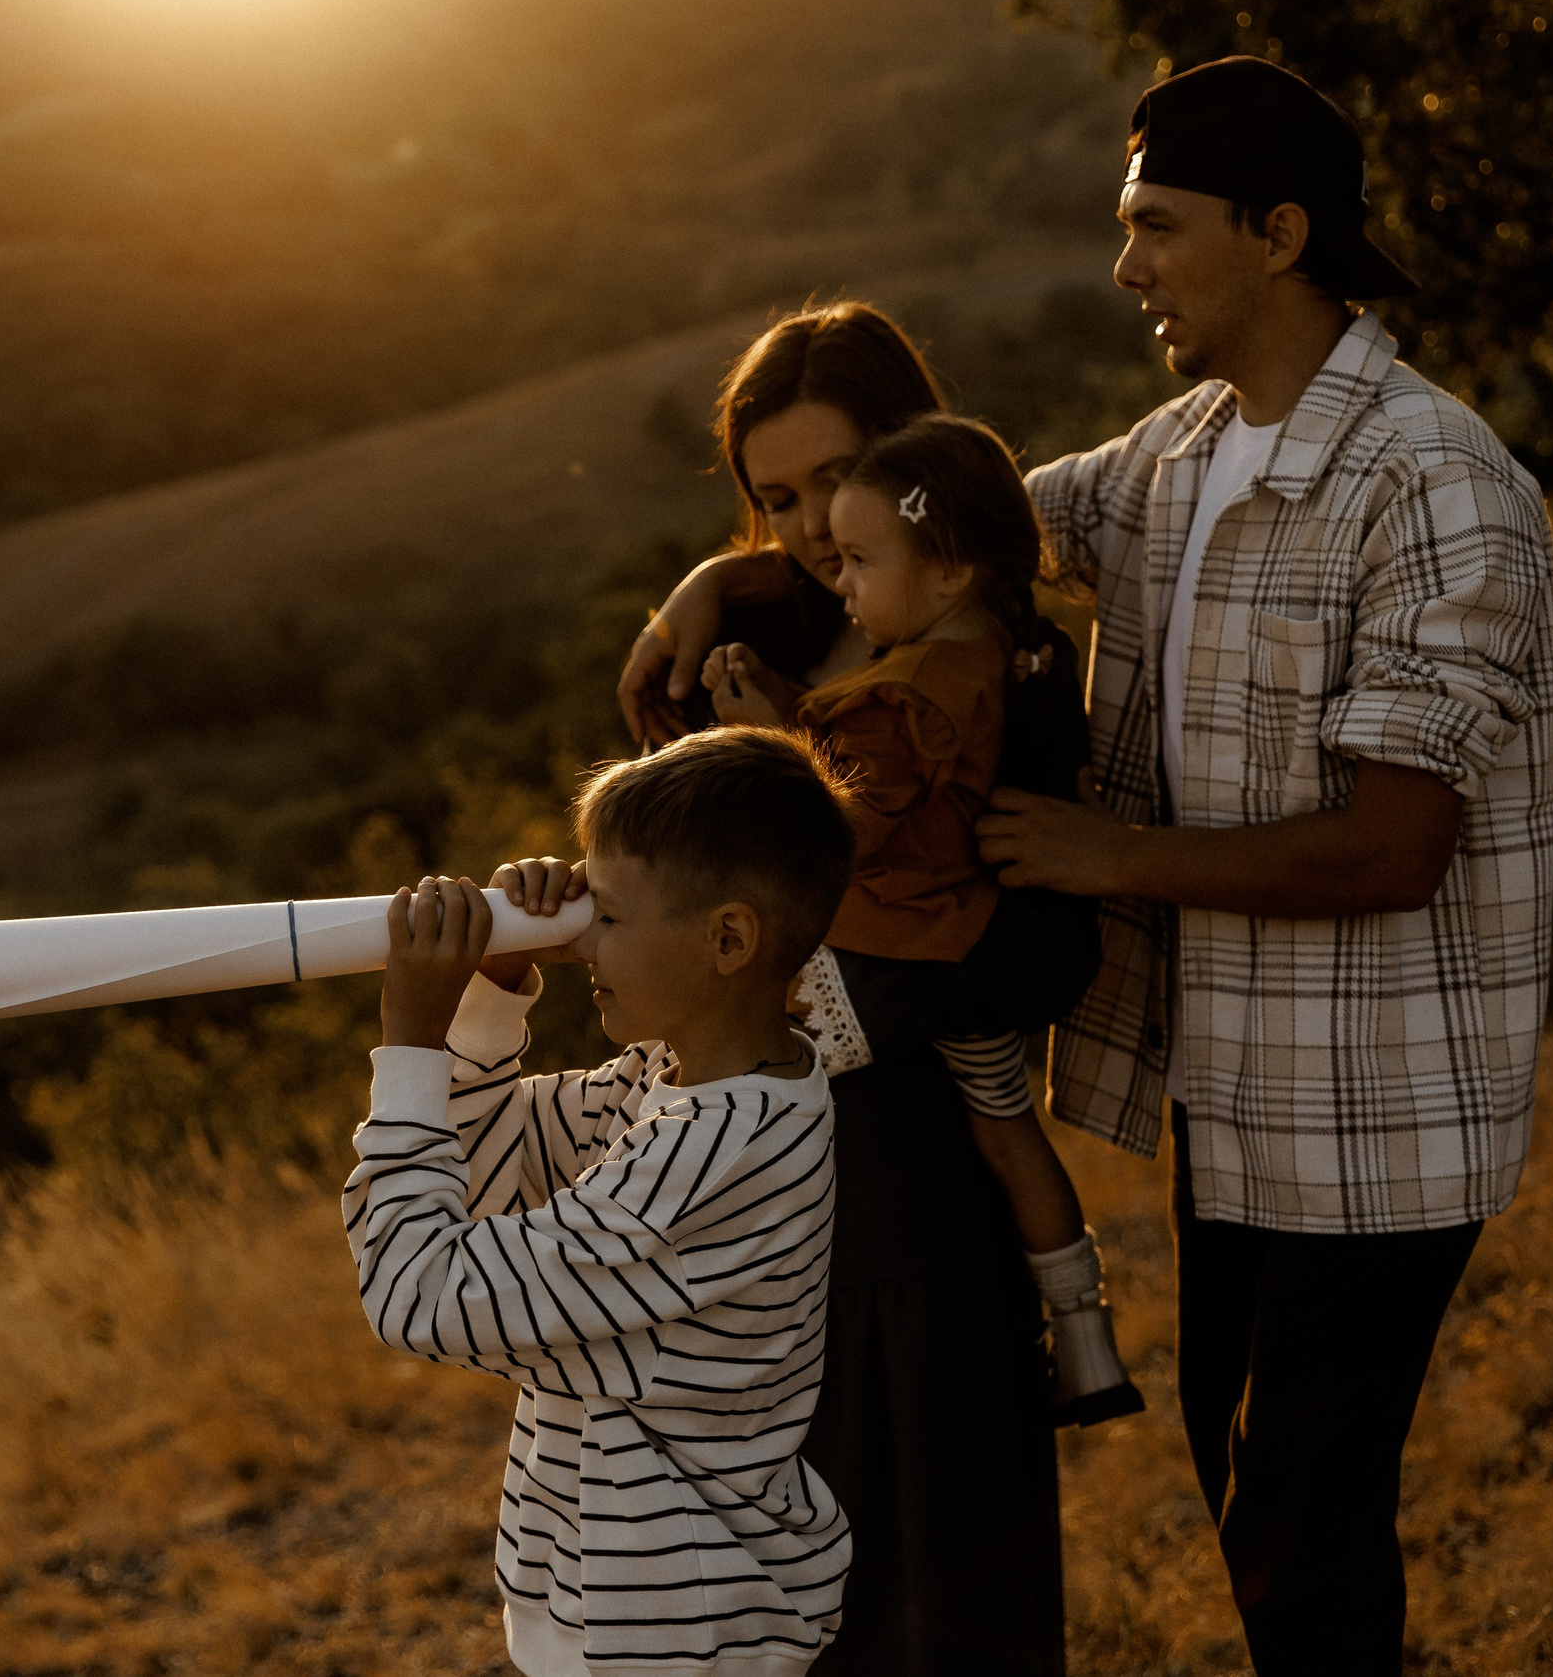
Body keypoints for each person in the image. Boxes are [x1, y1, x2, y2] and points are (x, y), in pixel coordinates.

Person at [625, 58, 1553, 1677]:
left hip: (1382, 1108)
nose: (1124, 267)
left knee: (1300, 1521)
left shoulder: (1438, 484)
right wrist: (729, 568)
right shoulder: (1174, 460)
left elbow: (1402, 844)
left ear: (1279, 234)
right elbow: (921, 542)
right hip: (1234, 1100)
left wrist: (1104, 850)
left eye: (1155, 228)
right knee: (1253, 1500)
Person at [619, 301, 1081, 1676]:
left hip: (926, 1234)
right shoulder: (731, 673)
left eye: (841, 477)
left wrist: (835, 1009)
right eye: (776, 498)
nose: (816, 523)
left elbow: (1044, 948)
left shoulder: (1007, 667)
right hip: (744, 1247)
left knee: (956, 1637)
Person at [342, 727, 859, 1677]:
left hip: (674, 1635)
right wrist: (495, 986)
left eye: (607, 915)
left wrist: (410, 1037)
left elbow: (418, 1291)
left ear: (729, 939)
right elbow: (495, 1173)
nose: (580, 941)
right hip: (626, 1616)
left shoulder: (710, 1156)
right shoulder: (682, 1085)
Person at [700, 411, 1142, 1425]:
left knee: (756, 1054)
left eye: (859, 559)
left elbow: (847, 824)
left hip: (905, 942)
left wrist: (764, 739)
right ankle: (1083, 1340)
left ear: (946, 572)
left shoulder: (915, 692)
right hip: (963, 941)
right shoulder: (989, 656)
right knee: (1007, 1134)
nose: (838, 580)